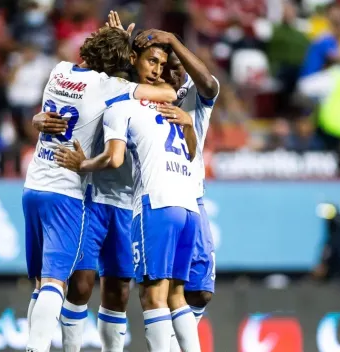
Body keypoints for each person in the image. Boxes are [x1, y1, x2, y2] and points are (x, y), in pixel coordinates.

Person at [23, 26, 177, 352]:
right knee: (70, 284)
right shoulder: (112, 88)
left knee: (58, 284)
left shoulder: (60, 70)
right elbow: (168, 94)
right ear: (127, 60)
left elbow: (50, 110)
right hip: (80, 193)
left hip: (46, 184)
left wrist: (39, 118)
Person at [55, 72, 201, 351]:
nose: (156, 70)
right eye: (151, 61)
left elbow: (170, 94)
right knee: (82, 285)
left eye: (161, 63)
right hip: (92, 197)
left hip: (129, 203)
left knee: (120, 290)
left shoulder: (154, 103)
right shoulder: (107, 89)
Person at [134, 28, 219, 352]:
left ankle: (170, 344)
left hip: (191, 196)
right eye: (163, 64)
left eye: (176, 65)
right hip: (159, 195)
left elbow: (210, 84)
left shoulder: (194, 94)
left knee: (199, 290)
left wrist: (171, 40)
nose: (169, 70)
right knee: (162, 289)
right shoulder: (143, 96)